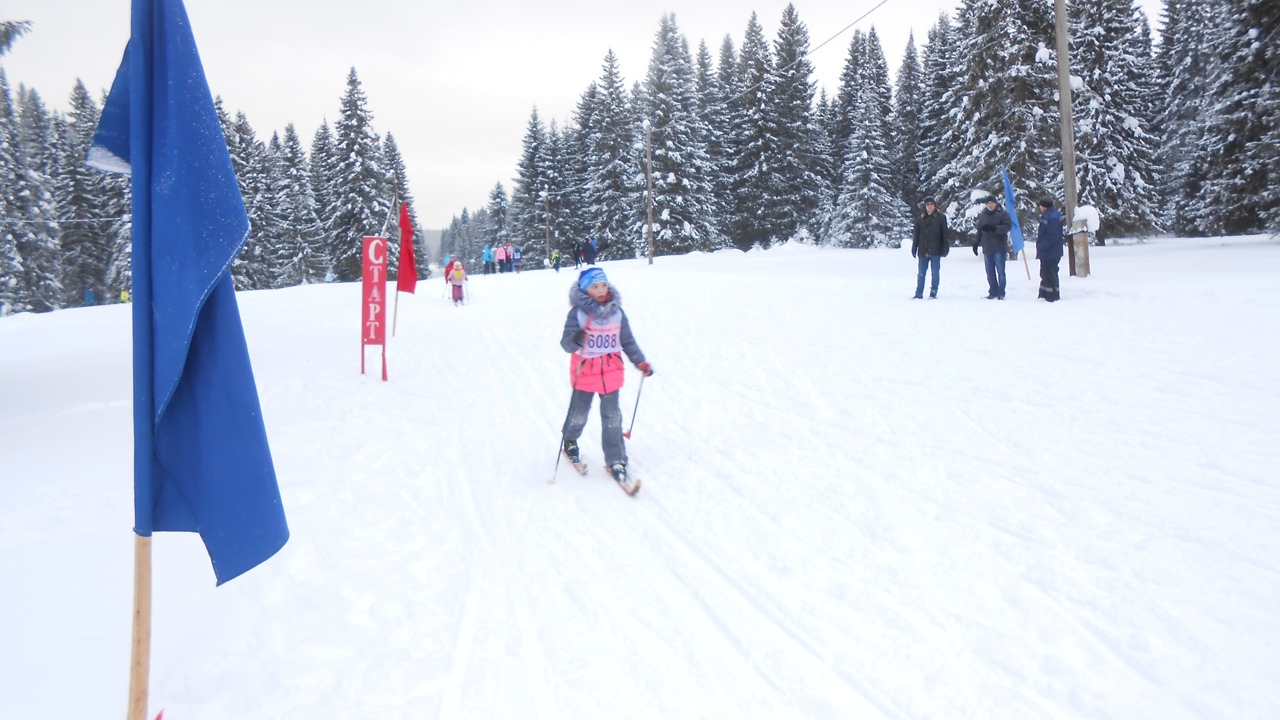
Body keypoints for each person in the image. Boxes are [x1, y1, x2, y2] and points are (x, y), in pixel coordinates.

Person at [559, 267, 653, 488]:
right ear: (585, 290)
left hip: (611, 372)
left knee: (612, 418)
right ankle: (570, 439)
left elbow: (628, 341)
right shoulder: (578, 313)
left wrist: (640, 362)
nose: (601, 290)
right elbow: (565, 344)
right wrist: (577, 338)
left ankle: (616, 460)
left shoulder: (617, 312)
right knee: (579, 414)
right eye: (594, 286)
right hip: (585, 372)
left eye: (603, 285)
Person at [973, 195, 1013, 300]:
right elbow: (979, 231)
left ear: (995, 203)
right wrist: (976, 243)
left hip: (999, 247)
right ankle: (993, 291)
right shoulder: (982, 215)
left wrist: (995, 228)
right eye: (988, 203)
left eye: (992, 203)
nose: (990, 205)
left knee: (1001, 271)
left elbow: (1008, 226)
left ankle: (1001, 292)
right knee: (990, 272)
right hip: (987, 248)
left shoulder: (1003, 214)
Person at [911, 197, 949, 299]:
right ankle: (919, 293)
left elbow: (945, 234)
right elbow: (916, 235)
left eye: (931, 204)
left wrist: (946, 248)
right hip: (923, 250)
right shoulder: (920, 219)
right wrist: (914, 248)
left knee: (935, 273)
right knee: (921, 273)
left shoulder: (941, 217)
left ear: (935, 205)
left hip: (936, 250)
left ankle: (933, 292)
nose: (929, 206)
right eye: (927, 204)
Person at [1036, 198, 1064, 302]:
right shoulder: (1048, 215)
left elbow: (1052, 235)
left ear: (1043, 206)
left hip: (1051, 251)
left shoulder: (1052, 217)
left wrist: (1041, 245)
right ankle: (1044, 294)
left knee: (1049, 272)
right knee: (1044, 272)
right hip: (1048, 251)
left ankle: (1052, 295)